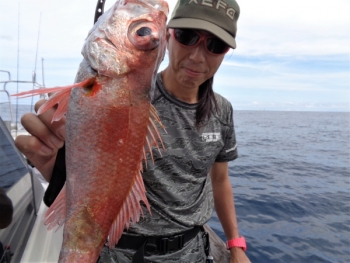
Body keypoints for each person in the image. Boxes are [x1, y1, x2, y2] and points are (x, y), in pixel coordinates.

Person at [15, 0, 251, 262]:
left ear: (225, 52)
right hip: (117, 252)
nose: (197, 56)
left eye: (215, 45)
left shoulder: (222, 111)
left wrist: (235, 243)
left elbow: (219, 180)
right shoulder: (135, 94)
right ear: (168, 37)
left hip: (190, 252)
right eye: (187, 36)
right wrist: (67, 167)